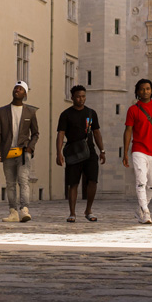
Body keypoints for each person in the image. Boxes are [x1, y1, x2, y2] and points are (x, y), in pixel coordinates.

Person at [55, 85, 106, 222]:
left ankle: (88, 210)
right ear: (72, 97)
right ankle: (72, 213)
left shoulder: (91, 113)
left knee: (93, 180)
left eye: (83, 96)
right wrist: (58, 153)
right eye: (78, 96)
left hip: (89, 151)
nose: (81, 99)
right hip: (73, 152)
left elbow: (96, 132)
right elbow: (61, 134)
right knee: (73, 183)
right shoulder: (66, 114)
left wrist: (102, 150)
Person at [0, 81, 40, 223]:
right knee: (10, 183)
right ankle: (13, 212)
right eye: (15, 88)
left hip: (23, 151)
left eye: (20, 89)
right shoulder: (2, 111)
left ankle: (24, 210)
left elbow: (36, 133)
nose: (17, 90)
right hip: (8, 151)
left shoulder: (30, 112)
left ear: (25, 94)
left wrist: (31, 147)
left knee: (23, 180)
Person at [123, 78, 152, 224]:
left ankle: (141, 209)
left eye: (148, 88)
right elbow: (128, 131)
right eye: (142, 89)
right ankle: (146, 212)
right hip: (139, 149)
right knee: (141, 181)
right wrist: (125, 152)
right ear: (137, 92)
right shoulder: (133, 110)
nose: (145, 91)